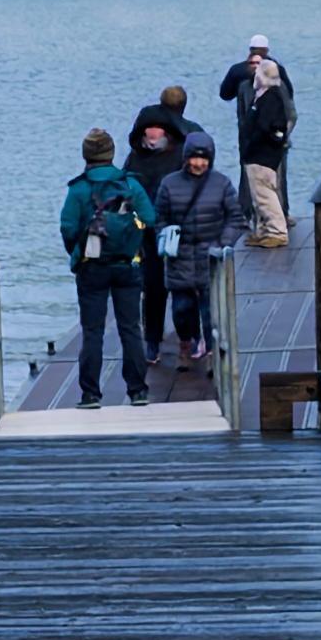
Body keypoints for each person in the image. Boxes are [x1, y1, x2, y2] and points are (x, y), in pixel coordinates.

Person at [58, 127, 155, 408]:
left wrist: (79, 252)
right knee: (131, 329)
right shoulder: (130, 185)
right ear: (111, 154)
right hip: (127, 264)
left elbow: (67, 227)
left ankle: (90, 394)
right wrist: (132, 237)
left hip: (92, 267)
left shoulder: (79, 189)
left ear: (86, 155)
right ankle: (137, 391)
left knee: (92, 331)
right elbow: (149, 217)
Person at [151, 133, 240, 365]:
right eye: (194, 158)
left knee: (210, 311)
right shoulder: (169, 183)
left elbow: (235, 218)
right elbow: (159, 217)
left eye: (203, 159)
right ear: (185, 158)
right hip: (179, 256)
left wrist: (223, 243)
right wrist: (166, 237)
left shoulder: (221, 183)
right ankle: (187, 341)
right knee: (181, 310)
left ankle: (211, 355)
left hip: (210, 256)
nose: (198, 164)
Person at [125, 80, 193, 347]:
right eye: (148, 134)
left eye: (157, 133)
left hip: (170, 226)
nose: (152, 139)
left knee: (177, 285)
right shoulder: (136, 157)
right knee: (154, 287)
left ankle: (183, 336)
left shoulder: (178, 151)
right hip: (150, 229)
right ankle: (156, 339)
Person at [219, 34, 297, 246]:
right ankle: (259, 224)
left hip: (265, 149)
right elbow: (225, 94)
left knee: (268, 188)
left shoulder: (270, 92)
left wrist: (279, 138)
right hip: (255, 147)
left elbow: (279, 119)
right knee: (258, 187)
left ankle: (276, 228)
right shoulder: (252, 83)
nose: (255, 66)